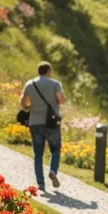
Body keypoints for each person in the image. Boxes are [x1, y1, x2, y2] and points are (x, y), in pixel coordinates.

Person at [21, 60, 65, 193]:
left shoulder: (30, 84)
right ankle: (52, 171)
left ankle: (40, 183)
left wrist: (31, 107)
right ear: (49, 72)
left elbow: (24, 103)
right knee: (55, 149)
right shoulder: (55, 84)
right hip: (51, 123)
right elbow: (61, 100)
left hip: (35, 122)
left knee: (38, 154)